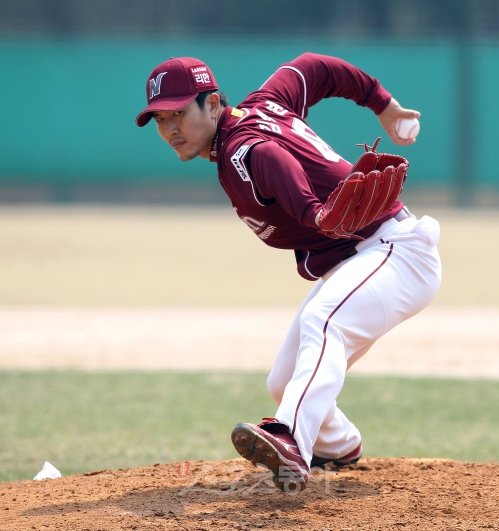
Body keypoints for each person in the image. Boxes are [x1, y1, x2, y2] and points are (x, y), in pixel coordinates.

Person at [135, 53, 441, 494]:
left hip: (397, 253)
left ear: (215, 103)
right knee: (283, 380)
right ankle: (337, 445)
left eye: (180, 112)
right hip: (362, 261)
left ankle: (291, 440)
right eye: (161, 120)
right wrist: (383, 104)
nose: (171, 130)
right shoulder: (268, 101)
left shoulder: (242, 147)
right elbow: (314, 67)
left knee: (325, 322)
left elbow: (269, 155)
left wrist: (312, 213)